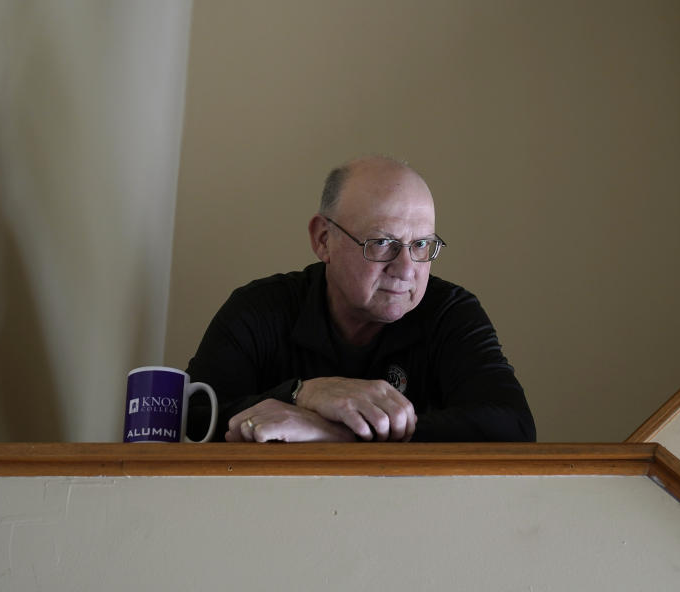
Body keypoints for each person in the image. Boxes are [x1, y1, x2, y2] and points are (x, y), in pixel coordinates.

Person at [185, 156, 535, 442]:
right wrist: (301, 393)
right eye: (382, 243)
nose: (406, 268)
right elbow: (189, 418)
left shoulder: (450, 313)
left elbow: (513, 427)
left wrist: (334, 432)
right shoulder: (259, 309)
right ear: (324, 240)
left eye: (421, 245)